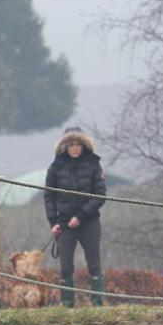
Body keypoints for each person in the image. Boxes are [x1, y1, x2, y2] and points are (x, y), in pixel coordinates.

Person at [44, 126, 106, 307]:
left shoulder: (94, 164)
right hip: (64, 224)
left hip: (90, 222)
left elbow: (100, 195)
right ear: (65, 146)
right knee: (65, 266)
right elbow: (49, 196)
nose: (75, 148)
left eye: (78, 144)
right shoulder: (55, 168)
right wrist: (53, 222)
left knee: (94, 263)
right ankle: (67, 304)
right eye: (71, 145)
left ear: (83, 145)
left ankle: (97, 303)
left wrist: (80, 216)